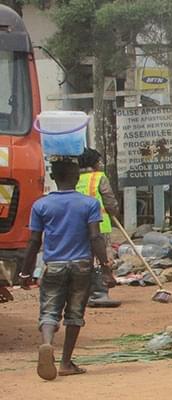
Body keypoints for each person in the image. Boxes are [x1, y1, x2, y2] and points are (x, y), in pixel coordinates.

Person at [18, 158, 114, 380]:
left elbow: (33, 242)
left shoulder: (41, 205)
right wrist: (106, 268)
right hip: (81, 265)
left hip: (54, 265)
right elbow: (95, 237)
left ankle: (47, 344)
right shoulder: (89, 204)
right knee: (74, 313)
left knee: (49, 311)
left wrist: (25, 272)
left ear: (53, 178)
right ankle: (66, 362)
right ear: (77, 177)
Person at [76, 148, 120, 308]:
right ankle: (100, 292)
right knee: (101, 257)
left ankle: (84, 293)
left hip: (78, 225)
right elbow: (109, 199)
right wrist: (114, 210)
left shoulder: (74, 178)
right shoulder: (99, 177)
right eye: (99, 161)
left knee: (84, 257)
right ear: (93, 163)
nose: (100, 164)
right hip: (100, 224)